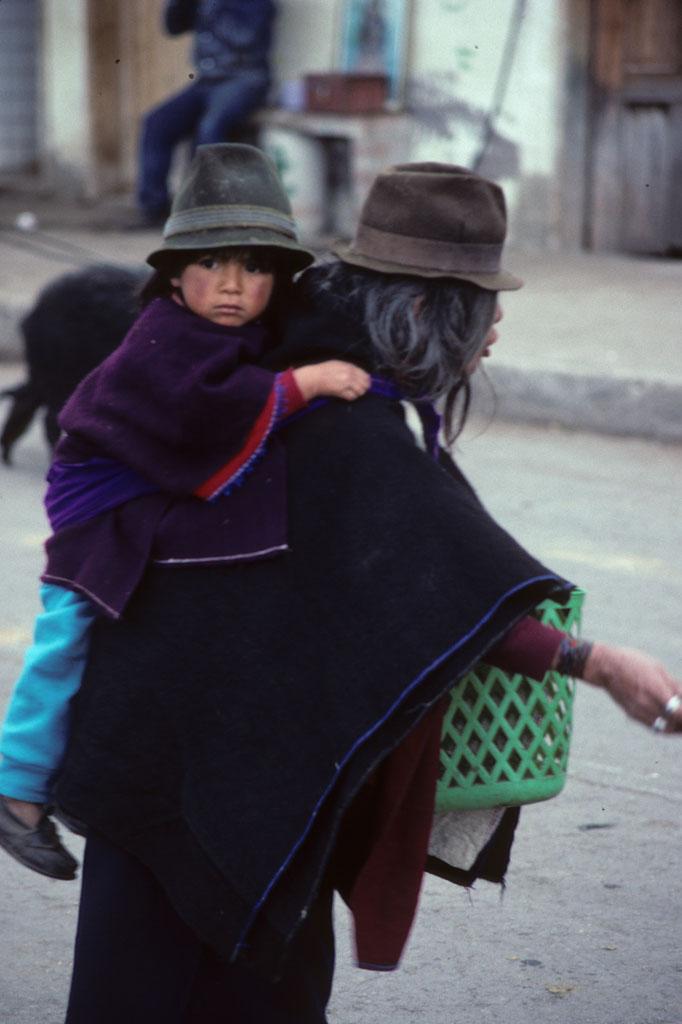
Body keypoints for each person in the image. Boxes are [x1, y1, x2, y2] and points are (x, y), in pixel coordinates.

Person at [47, 163, 682, 1023]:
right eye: (480, 308)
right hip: (195, 768)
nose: (493, 330)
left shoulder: (302, 362)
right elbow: (447, 584)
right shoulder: (347, 421)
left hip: (181, 750)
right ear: (423, 312)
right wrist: (600, 665)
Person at [0, 143, 372, 882]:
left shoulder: (237, 329)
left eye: (256, 267)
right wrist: (305, 383)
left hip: (148, 492)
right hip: (100, 500)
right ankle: (16, 790)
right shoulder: (165, 333)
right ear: (173, 274)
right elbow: (205, 411)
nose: (233, 286)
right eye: (212, 265)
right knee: (70, 630)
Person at [135, 0, 276, 226]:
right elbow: (173, 27)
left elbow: (245, 37)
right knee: (157, 123)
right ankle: (155, 210)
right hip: (206, 81)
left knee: (210, 129)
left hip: (244, 79)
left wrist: (212, 6)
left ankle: (204, 213)